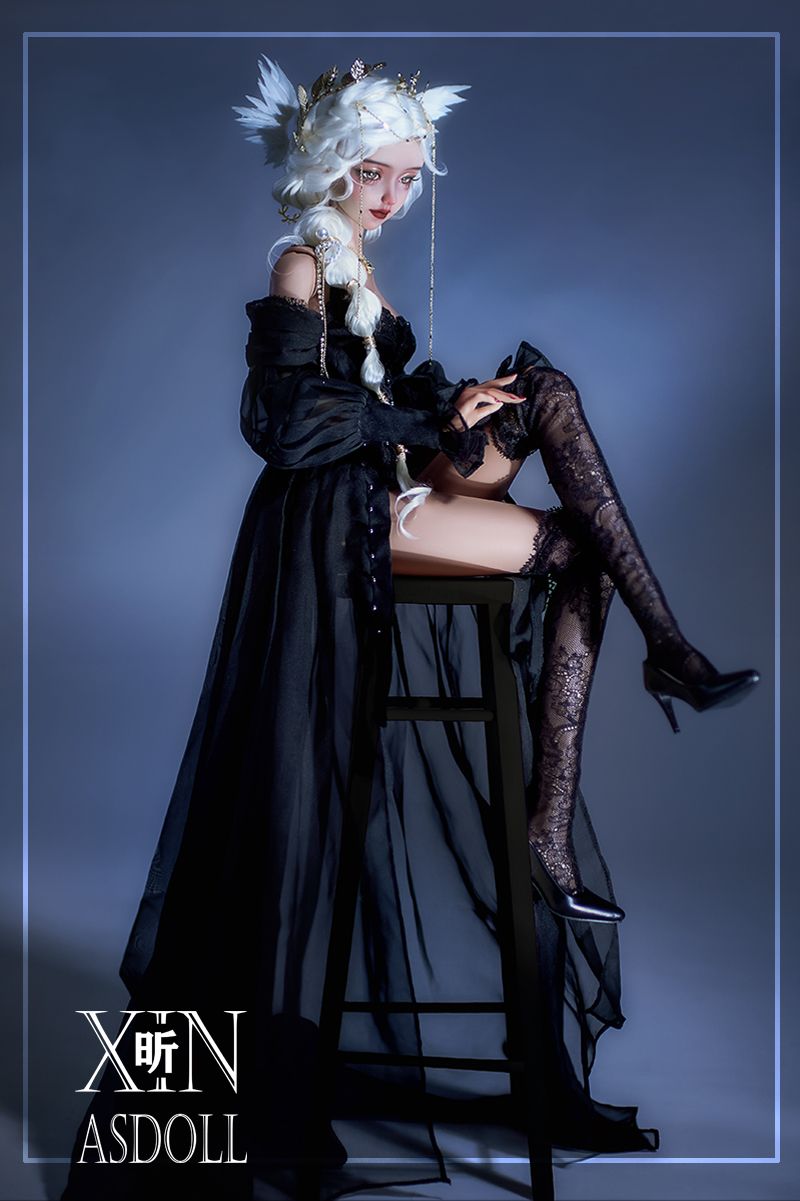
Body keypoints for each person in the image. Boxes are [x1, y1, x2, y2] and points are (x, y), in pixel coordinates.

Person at [60, 54, 759, 1201]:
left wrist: (449, 407)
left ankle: (625, 715)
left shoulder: (362, 267)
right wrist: (422, 419)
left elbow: (383, 402)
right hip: (337, 516)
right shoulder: (299, 262)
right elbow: (284, 425)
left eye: (405, 177)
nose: (391, 197)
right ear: (331, 167)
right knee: (568, 549)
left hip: (391, 483)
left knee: (543, 393)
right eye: (373, 175)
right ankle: (620, 724)